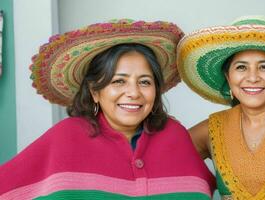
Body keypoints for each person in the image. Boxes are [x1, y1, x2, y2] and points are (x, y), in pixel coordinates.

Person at [0, 19, 215, 199]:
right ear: (95, 91)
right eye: (119, 81)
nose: (133, 92)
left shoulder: (174, 135)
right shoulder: (66, 137)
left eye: (145, 82)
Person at [177, 15, 265, 199]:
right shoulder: (210, 129)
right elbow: (161, 161)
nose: (252, 77)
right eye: (241, 67)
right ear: (228, 77)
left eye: (264, 67)